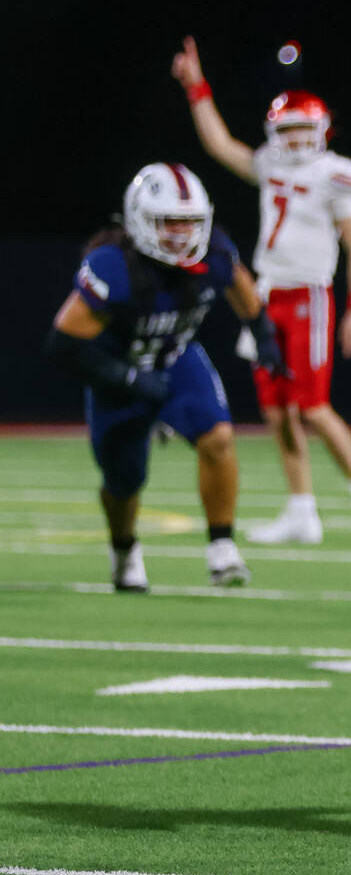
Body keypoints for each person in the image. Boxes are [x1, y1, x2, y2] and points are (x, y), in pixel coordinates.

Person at [171, 37, 351, 547]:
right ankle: (301, 509)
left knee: (313, 406)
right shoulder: (270, 166)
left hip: (310, 296)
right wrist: (195, 87)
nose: (292, 140)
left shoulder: (333, 176)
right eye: (285, 130)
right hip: (268, 298)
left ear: (321, 131)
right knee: (275, 410)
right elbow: (219, 144)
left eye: (300, 129)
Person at [47, 162, 286, 592]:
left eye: (189, 222)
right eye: (168, 221)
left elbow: (240, 284)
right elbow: (63, 344)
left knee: (218, 438)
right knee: (124, 481)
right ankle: (123, 548)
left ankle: (222, 548)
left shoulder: (213, 252)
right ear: (139, 220)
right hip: (117, 368)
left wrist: (263, 335)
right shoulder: (112, 265)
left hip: (176, 356)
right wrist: (127, 379)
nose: (180, 233)